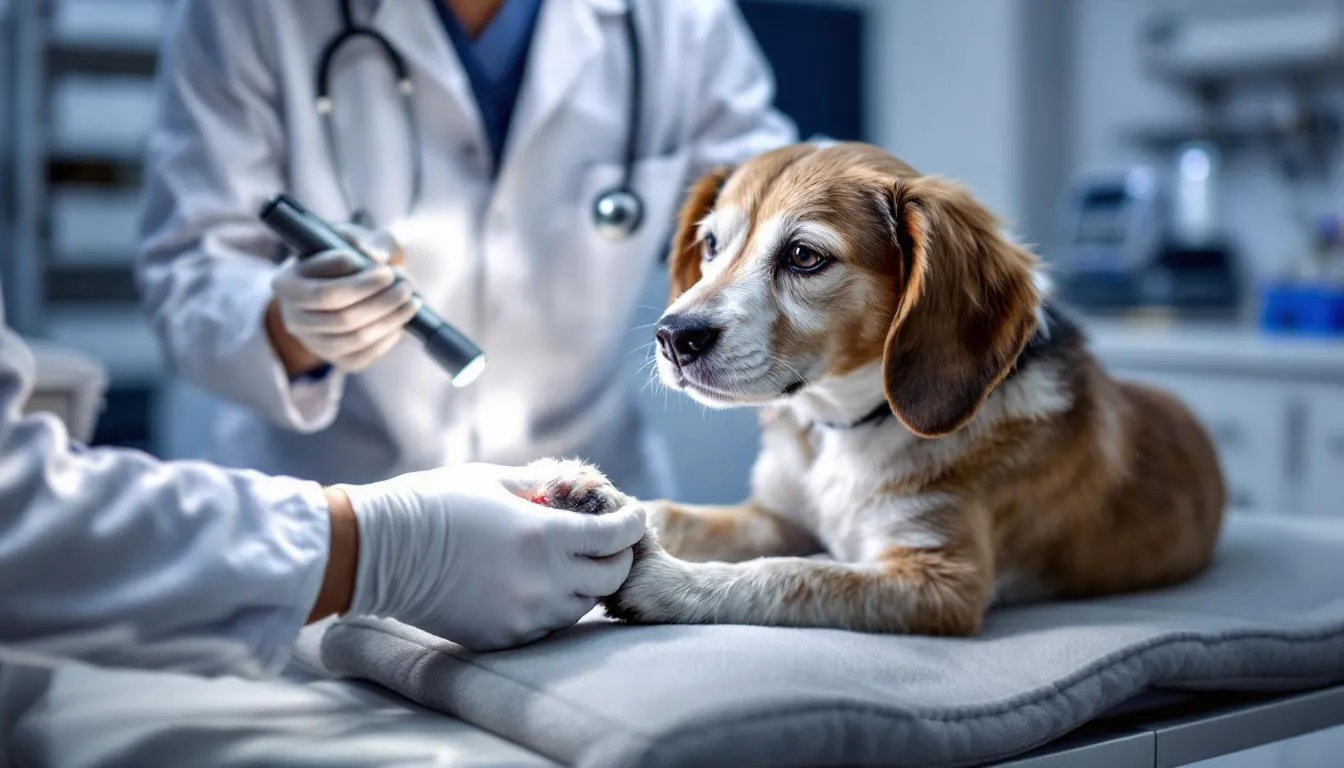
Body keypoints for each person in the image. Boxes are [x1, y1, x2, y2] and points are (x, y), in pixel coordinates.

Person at [135, 0, 796, 500]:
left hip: (581, 495)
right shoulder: (251, 14)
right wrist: (293, 327)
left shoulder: (676, 21)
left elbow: (770, 204)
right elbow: (192, 268)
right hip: (329, 507)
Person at [0, 283, 646, 762]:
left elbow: (745, 200)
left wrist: (372, 545)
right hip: (286, 576)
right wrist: (372, 547)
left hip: (564, 516)